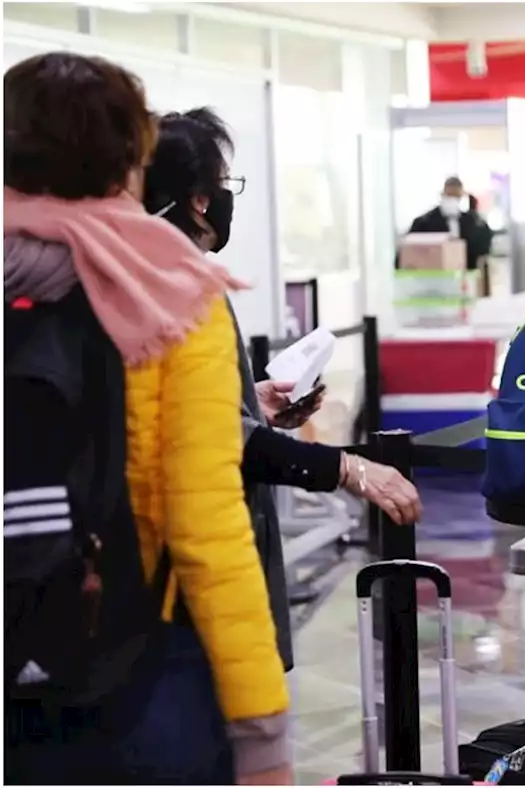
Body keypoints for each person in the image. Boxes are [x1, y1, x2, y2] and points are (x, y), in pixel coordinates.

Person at [3, 52, 290, 784]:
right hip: (129, 670)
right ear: (131, 159)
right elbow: (208, 527)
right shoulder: (170, 292)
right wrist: (260, 731)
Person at [143, 108, 423, 671]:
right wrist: (349, 469)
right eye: (224, 185)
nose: (227, 200)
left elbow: (186, 417)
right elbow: (215, 437)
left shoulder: (147, 277)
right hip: (193, 566)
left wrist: (257, 406)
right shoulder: (180, 287)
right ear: (199, 198)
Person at [403, 176, 494, 291]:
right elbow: (409, 251)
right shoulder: (425, 222)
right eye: (449, 196)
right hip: (433, 283)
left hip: (466, 281)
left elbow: (483, 247)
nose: (452, 200)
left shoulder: (472, 222)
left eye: (456, 197)